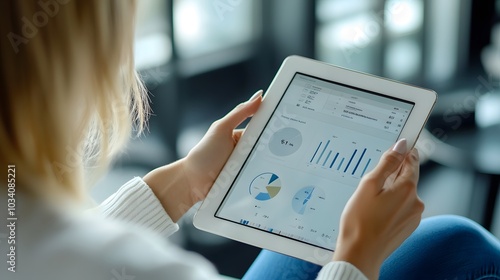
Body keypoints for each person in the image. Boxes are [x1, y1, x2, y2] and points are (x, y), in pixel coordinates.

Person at [0, 1, 499, 279]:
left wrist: (180, 185)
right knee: (461, 243)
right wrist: (356, 257)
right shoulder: (146, 267)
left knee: (305, 242)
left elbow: (46, 258)